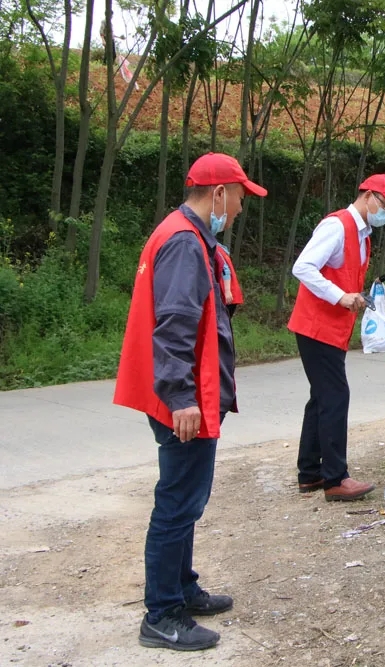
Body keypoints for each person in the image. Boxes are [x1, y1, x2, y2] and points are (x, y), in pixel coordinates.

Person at [113, 152, 267, 651]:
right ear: (219, 193)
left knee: (187, 499)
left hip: (190, 393)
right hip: (185, 399)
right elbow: (175, 323)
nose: (242, 207)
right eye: (241, 197)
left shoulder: (186, 235)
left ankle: (182, 587)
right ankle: (162, 614)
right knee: (178, 503)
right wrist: (182, 396)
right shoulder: (184, 243)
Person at [289, 175, 385, 501]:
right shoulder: (337, 226)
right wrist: (340, 296)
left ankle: (310, 473)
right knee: (335, 396)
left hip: (330, 328)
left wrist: (353, 296)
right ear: (368, 196)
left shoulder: (362, 235)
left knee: (321, 397)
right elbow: (303, 267)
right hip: (316, 326)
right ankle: (335, 479)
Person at [215, 243, 241, 318]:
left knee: (222, 325)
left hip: (226, 295)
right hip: (229, 294)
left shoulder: (215, 248)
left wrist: (227, 291)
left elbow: (224, 269)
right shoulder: (219, 247)